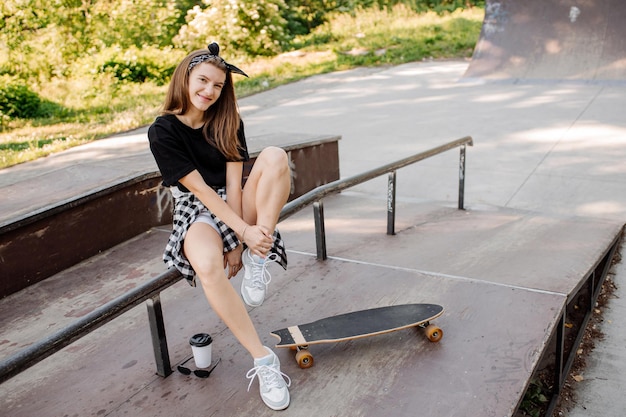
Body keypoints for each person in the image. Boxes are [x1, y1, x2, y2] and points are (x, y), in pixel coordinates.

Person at [147, 42, 292, 411]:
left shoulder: (229, 121)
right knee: (208, 265)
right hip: (195, 207)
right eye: (203, 81)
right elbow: (200, 192)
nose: (209, 91)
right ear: (185, 77)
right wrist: (238, 234)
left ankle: (261, 257)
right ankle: (263, 360)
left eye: (218, 86)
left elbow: (231, 187)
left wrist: (244, 242)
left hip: (232, 200)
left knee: (276, 155)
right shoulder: (163, 131)